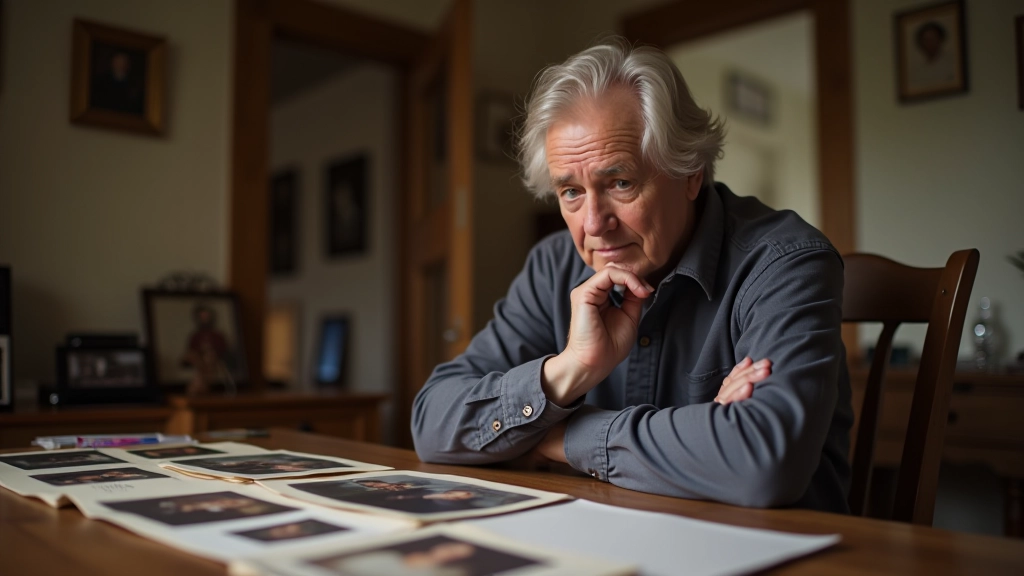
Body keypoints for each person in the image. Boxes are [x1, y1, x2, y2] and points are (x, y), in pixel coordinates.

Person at [412, 38, 853, 512]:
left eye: (620, 183)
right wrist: (568, 373)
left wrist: (553, 436)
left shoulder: (783, 261)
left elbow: (764, 464)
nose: (594, 224)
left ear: (691, 173)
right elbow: (432, 423)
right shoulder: (553, 266)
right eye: (571, 192)